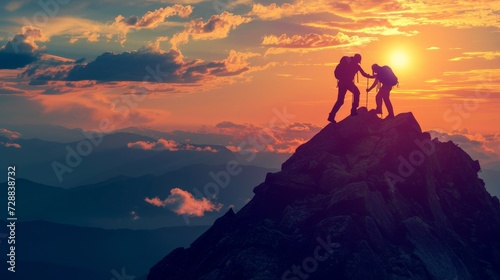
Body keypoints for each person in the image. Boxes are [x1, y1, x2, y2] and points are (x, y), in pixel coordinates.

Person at [328, 54, 374, 123]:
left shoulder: (348, 63)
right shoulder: (356, 66)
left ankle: (331, 116)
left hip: (341, 83)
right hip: (348, 83)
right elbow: (364, 74)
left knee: (340, 101)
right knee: (357, 93)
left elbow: (362, 73)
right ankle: (353, 110)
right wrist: (372, 76)